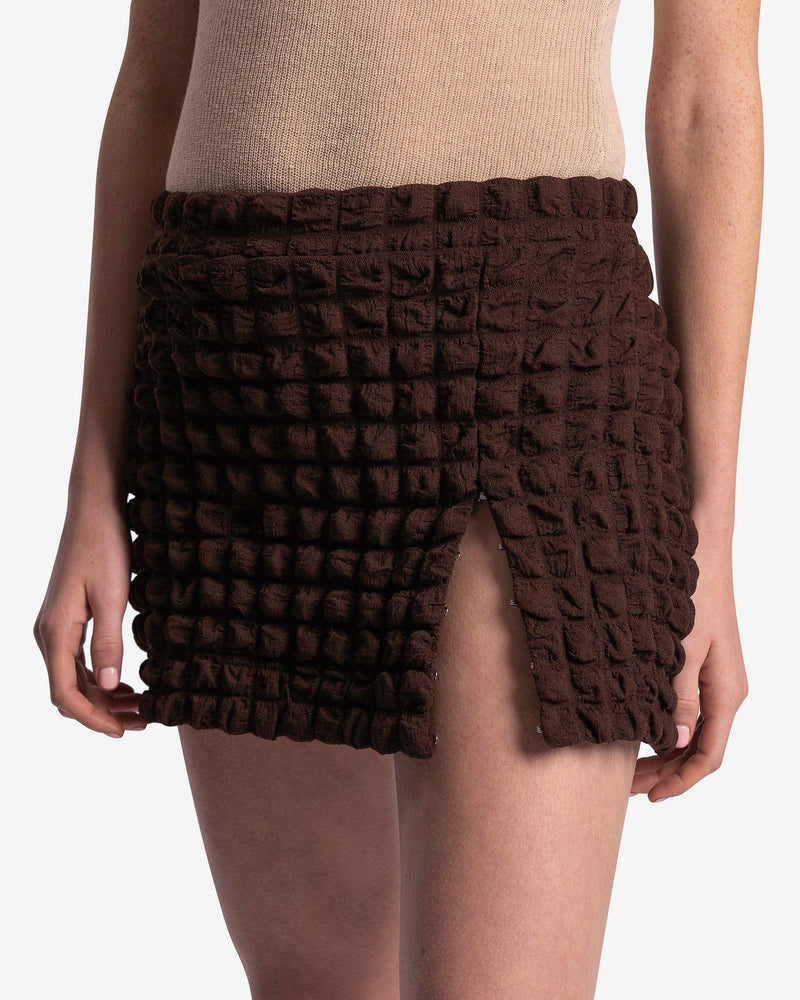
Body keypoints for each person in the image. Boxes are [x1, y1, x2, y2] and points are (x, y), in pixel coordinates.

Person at [33, 1, 760, 997]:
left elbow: (704, 101)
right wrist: (93, 477)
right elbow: (155, 79)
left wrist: (709, 535)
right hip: (235, 367)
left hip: (529, 362)